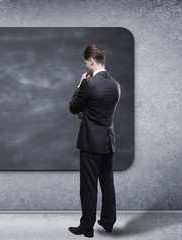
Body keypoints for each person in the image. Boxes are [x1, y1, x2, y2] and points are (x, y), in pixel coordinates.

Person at [68, 44, 121, 238]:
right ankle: (108, 222)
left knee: (89, 185)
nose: (85, 65)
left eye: (85, 62)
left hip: (91, 142)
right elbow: (102, 109)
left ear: (91, 61)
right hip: (109, 140)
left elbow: (73, 107)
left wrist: (80, 84)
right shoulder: (116, 84)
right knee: (107, 184)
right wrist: (87, 112)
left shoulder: (89, 84)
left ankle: (87, 227)